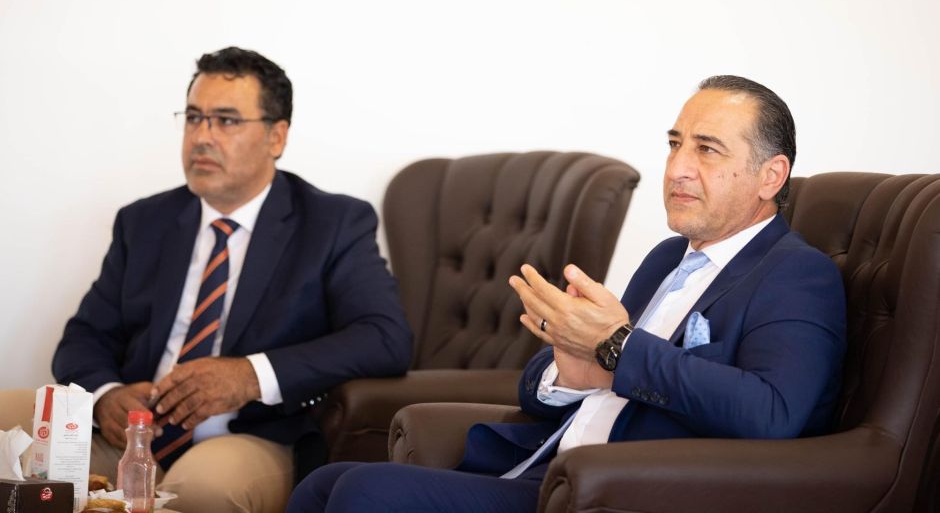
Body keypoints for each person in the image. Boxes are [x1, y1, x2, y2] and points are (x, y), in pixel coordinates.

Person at [286, 75, 847, 512]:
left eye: (707, 150)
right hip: (546, 470)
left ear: (771, 176)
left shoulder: (796, 274)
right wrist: (569, 372)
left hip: (619, 491)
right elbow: (560, 381)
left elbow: (772, 413)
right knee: (323, 484)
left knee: (365, 493)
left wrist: (615, 348)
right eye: (675, 144)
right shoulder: (665, 258)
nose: (677, 168)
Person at [52, 47, 413, 512]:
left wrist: (251, 375)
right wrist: (106, 395)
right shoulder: (144, 221)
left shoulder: (332, 223)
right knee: (12, 432)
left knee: (201, 490)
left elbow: (384, 337)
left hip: (249, 434)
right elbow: (83, 336)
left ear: (276, 137)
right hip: (134, 436)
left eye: (225, 121)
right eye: (194, 118)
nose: (202, 137)